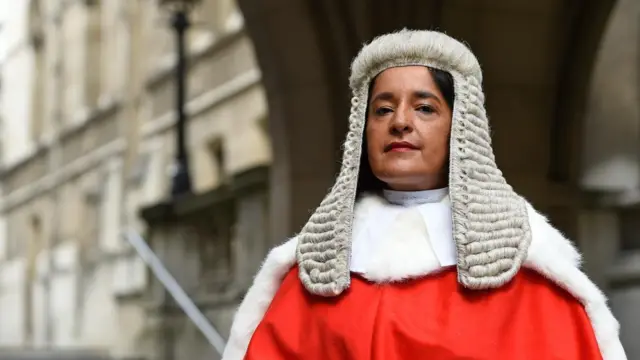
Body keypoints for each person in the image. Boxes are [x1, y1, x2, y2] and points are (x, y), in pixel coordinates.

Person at [221, 30, 626, 360]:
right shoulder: (309, 273)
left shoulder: (531, 275)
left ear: (460, 127)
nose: (400, 122)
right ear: (362, 131)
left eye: (425, 108)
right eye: (382, 109)